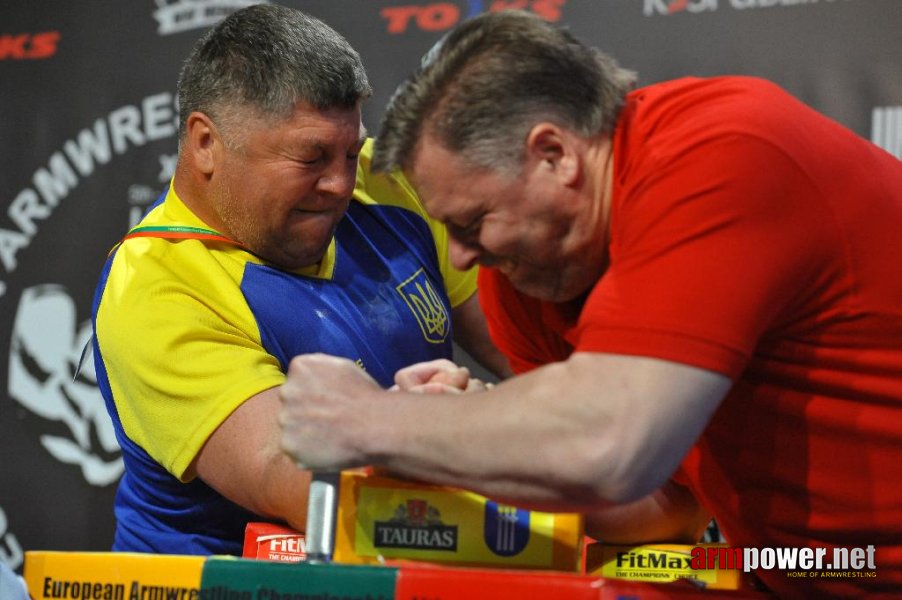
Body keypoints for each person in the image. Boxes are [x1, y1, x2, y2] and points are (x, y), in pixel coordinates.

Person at [276, 10, 902, 597]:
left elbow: (608, 447)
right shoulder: (528, 271)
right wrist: (464, 431)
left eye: (472, 222)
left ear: (555, 155)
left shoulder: (726, 152)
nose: (462, 258)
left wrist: (367, 422)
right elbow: (658, 507)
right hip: (791, 568)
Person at [91, 4, 509, 556]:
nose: (340, 183)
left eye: (350, 150)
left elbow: (526, 353)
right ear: (205, 144)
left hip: (388, 570)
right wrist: (428, 426)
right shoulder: (154, 285)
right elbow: (288, 477)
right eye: (310, 157)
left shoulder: (389, 184)